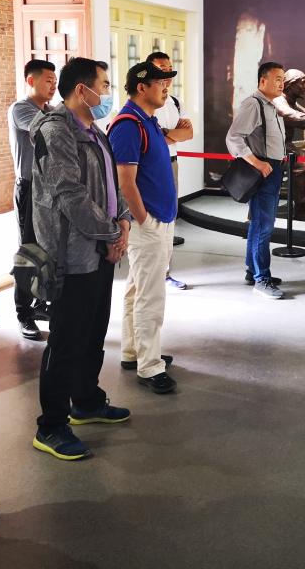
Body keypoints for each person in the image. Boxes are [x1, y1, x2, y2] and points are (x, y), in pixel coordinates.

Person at [29, 58, 133, 460]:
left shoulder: (94, 131)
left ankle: (86, 401)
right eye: (103, 86)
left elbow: (111, 185)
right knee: (67, 339)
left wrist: (122, 222)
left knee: (93, 332)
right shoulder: (55, 130)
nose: (107, 93)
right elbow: (69, 194)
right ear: (81, 90)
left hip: (101, 247)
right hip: (71, 254)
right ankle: (51, 425)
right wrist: (111, 233)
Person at [109, 62, 181, 393]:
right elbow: (125, 182)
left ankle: (133, 351)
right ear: (142, 87)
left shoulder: (147, 120)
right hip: (148, 224)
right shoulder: (128, 125)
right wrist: (145, 220)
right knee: (150, 296)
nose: (166, 87)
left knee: (138, 288)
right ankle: (150, 367)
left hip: (159, 219)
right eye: (160, 82)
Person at [225, 62, 287, 299]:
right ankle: (262, 279)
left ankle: (253, 271)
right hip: (263, 171)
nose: (282, 83)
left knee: (258, 223)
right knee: (264, 226)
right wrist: (257, 163)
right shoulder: (253, 104)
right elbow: (234, 137)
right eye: (277, 79)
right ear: (263, 81)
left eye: (283, 79)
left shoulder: (271, 105)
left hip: (273, 169)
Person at [7, 58, 58, 340]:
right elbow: (47, 132)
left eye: (55, 81)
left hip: (49, 189)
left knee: (48, 249)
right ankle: (23, 314)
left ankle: (41, 304)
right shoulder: (21, 109)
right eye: (48, 80)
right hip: (29, 188)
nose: (53, 86)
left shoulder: (50, 110)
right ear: (31, 80)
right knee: (29, 252)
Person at [146, 51, 192, 290]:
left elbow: (189, 133)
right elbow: (151, 138)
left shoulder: (175, 101)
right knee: (152, 221)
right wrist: (172, 134)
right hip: (151, 165)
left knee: (170, 218)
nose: (167, 74)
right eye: (161, 69)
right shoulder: (144, 101)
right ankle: (151, 274)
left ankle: (165, 273)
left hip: (171, 163)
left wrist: (165, 134)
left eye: (169, 68)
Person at [271, 69, 305, 221]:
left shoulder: (291, 100)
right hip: (273, 148)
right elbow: (298, 118)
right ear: (290, 85)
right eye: (302, 83)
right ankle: (302, 211)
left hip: (285, 146)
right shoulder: (278, 101)